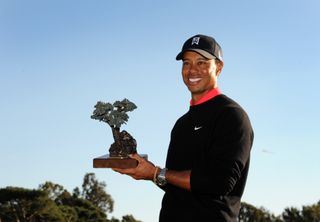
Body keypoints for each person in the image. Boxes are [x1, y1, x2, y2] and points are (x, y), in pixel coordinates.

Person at [113, 34, 254, 222]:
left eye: (202, 62)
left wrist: (156, 172)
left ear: (218, 67)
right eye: (186, 63)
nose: (192, 70)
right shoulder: (182, 124)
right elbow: (177, 183)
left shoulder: (232, 116)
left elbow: (219, 182)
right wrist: (147, 172)